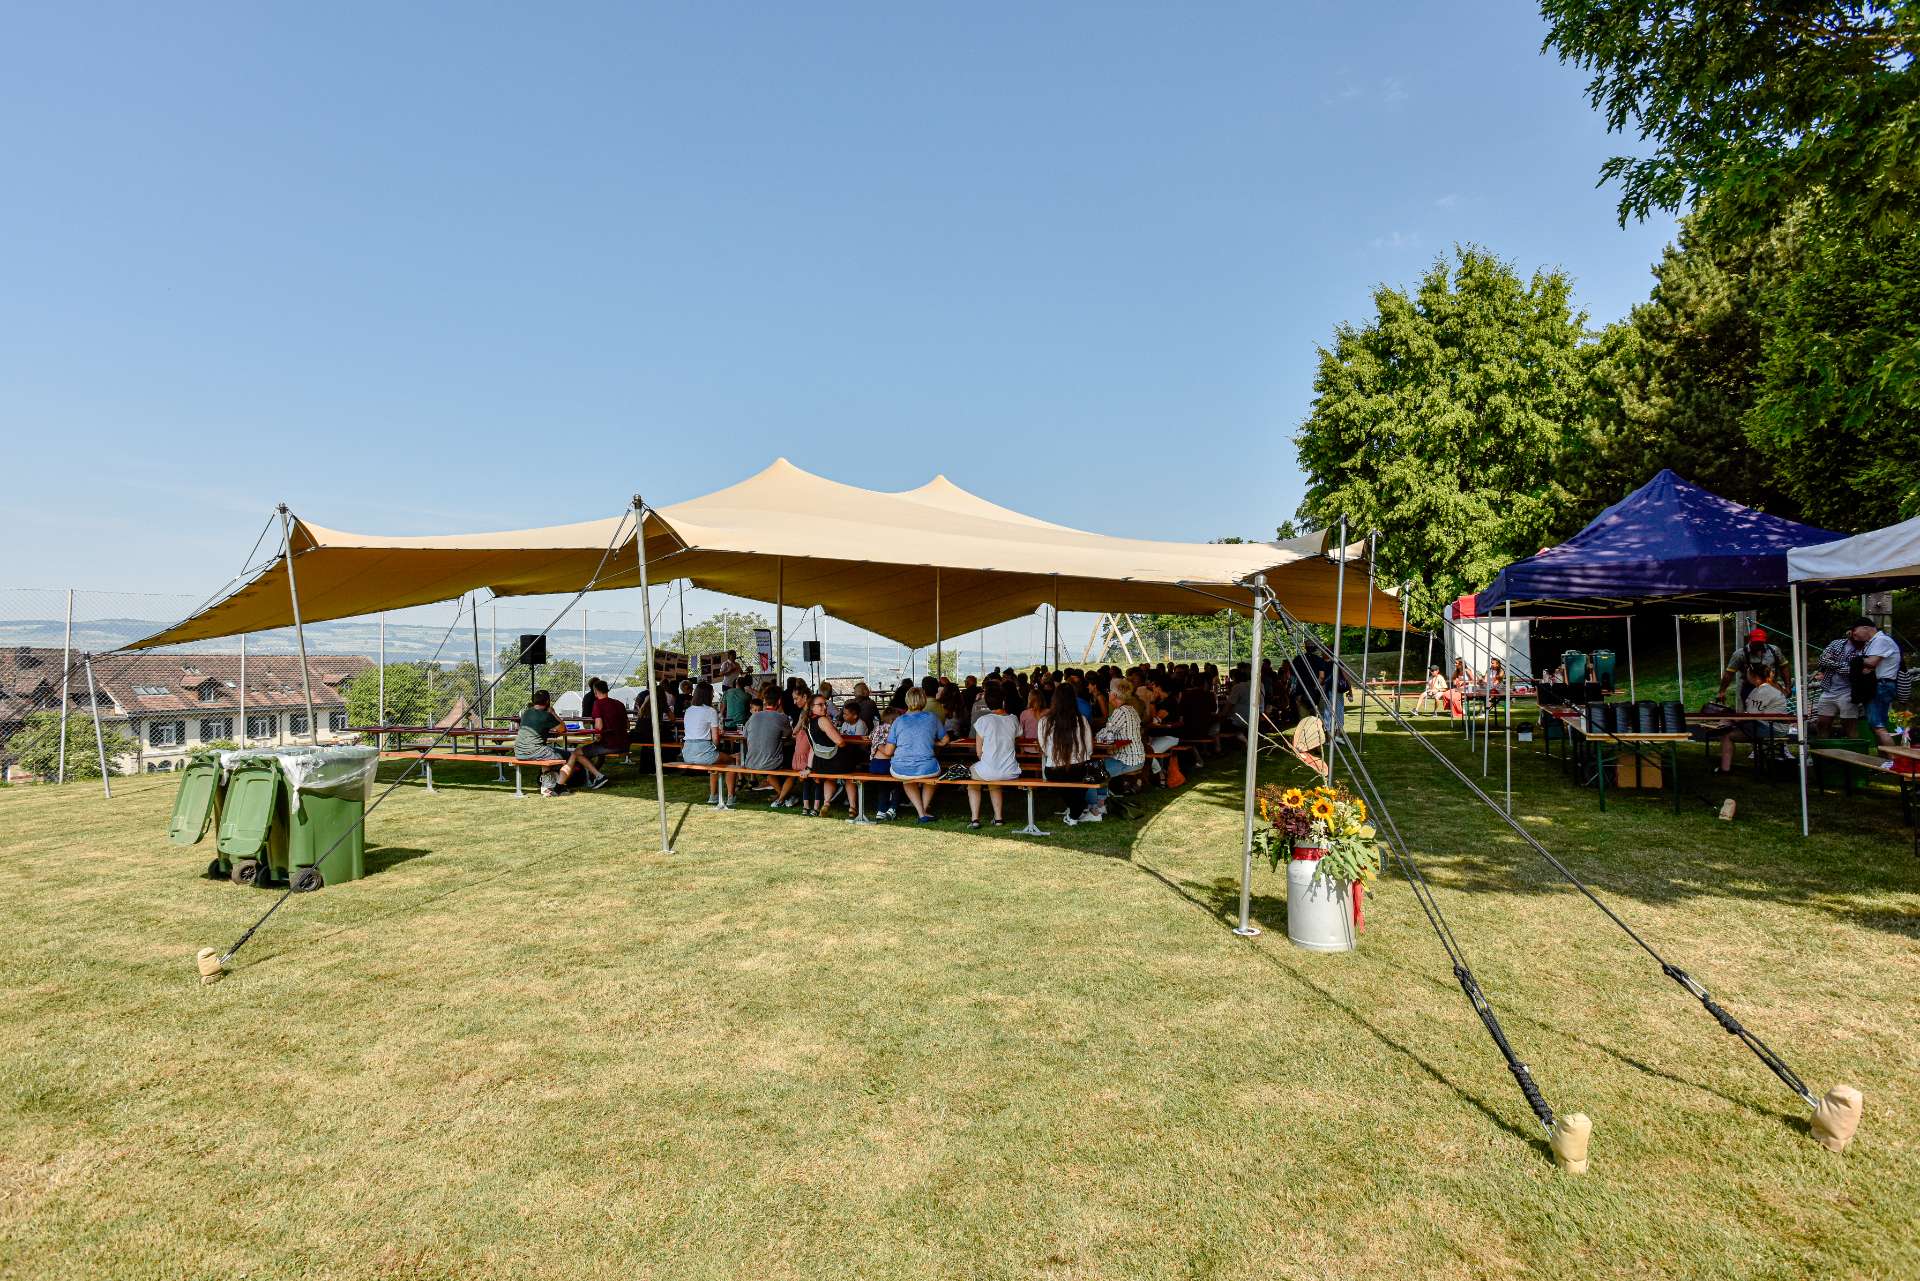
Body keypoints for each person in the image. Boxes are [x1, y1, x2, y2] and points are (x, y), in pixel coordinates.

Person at [516, 690, 607, 796]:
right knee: (571, 756)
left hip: (519, 751)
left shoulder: (527, 713)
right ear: (547, 701)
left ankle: (549, 783)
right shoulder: (546, 716)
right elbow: (562, 728)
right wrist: (553, 713)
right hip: (536, 751)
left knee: (549, 751)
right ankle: (559, 786)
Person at [1715, 663, 1790, 774]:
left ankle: (1725, 769)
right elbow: (1752, 714)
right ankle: (1726, 767)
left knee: (1727, 734)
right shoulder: (1761, 689)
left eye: (1748, 673)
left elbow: (1751, 715)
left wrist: (1733, 719)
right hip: (1770, 725)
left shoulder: (1763, 691)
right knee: (1727, 727)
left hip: (1772, 728)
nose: (1746, 675)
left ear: (1754, 675)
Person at [1038, 685, 1097, 825]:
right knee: (1076, 786)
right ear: (1073, 699)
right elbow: (1089, 748)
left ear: (1054, 699)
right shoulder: (1081, 720)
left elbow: (1045, 749)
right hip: (1079, 768)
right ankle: (1076, 811)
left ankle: (1075, 812)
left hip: (1054, 770)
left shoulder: (1044, 721)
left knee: (1068, 788)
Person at [888, 687, 948, 822]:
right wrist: (934, 743)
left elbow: (890, 749)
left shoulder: (898, 721)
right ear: (924, 700)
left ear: (907, 700)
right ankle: (923, 811)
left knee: (907, 780)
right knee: (932, 779)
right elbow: (945, 740)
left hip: (900, 768)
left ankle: (921, 813)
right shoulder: (932, 718)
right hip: (928, 767)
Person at [965, 687, 1021, 827]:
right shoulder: (1013, 719)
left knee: (972, 782)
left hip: (990, 769)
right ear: (1003, 701)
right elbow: (1018, 737)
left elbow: (979, 753)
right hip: (1010, 770)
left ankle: (975, 819)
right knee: (994, 782)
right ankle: (998, 818)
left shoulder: (983, 721)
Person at [681, 681, 735, 806]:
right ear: (708, 695)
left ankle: (713, 795)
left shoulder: (688, 710)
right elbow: (716, 738)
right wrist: (715, 746)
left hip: (687, 752)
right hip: (703, 751)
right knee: (731, 762)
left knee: (715, 762)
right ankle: (731, 796)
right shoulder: (711, 711)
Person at [1851, 617, 1903, 746]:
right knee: (1876, 726)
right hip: (1878, 685)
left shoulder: (1881, 640)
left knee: (1878, 725)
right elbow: (1866, 668)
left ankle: (1893, 760)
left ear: (1865, 628)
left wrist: (1858, 660)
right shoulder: (1872, 642)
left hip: (1881, 685)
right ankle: (1885, 758)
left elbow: (1871, 662)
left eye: (1855, 630)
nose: (1854, 634)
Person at [741, 688, 794, 807]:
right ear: (779, 701)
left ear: (764, 700)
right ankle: (784, 796)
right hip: (771, 763)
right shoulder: (781, 717)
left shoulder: (753, 717)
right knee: (794, 768)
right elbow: (787, 736)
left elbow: (744, 736)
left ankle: (781, 796)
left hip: (751, 762)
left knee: (770, 762)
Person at [1716, 628, 1790, 704]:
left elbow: (1784, 667)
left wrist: (1788, 686)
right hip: (1750, 688)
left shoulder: (1774, 650)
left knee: (1775, 710)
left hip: (1772, 685)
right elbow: (1729, 674)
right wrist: (1722, 691)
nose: (1758, 645)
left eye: (1760, 642)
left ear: (1765, 641)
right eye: (1756, 642)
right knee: (1755, 713)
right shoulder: (1740, 654)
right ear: (1750, 640)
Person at [1812, 631, 1863, 739]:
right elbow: (1822, 660)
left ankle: (1855, 752)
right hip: (1829, 689)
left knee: (1849, 724)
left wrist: (1833, 664)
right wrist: (1842, 665)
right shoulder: (1836, 643)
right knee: (1822, 723)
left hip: (1849, 690)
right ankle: (1823, 751)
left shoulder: (1864, 648)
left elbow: (1853, 670)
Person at [583, 678, 629, 778]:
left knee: (576, 753)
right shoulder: (619, 704)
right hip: (624, 744)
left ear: (595, 691)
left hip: (608, 745)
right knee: (597, 753)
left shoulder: (598, 703)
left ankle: (594, 775)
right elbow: (627, 725)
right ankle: (592, 774)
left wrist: (598, 737)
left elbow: (599, 727)